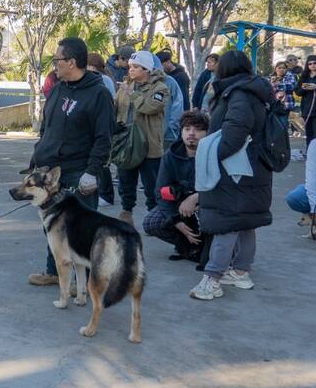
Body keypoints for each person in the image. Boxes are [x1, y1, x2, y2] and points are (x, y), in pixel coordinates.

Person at [26, 37, 114, 287]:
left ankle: (85, 280)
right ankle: (54, 271)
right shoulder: (58, 88)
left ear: (72, 62)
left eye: (57, 60)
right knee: (52, 225)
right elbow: (48, 127)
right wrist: (37, 156)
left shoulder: (98, 94)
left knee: (80, 229)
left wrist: (92, 172)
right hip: (49, 170)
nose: (54, 65)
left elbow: (103, 138)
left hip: (78, 170)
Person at [190, 50, 273, 301]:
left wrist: (210, 155)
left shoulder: (239, 95)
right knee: (245, 221)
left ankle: (212, 279)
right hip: (252, 169)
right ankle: (240, 271)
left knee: (226, 223)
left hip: (236, 171)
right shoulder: (252, 91)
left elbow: (234, 136)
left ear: (225, 70)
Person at [143, 110, 209, 263]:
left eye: (198, 129)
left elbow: (222, 188)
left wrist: (197, 198)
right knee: (150, 223)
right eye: (187, 129)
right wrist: (176, 222)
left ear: (207, 133)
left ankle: (205, 246)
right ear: (181, 132)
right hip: (178, 205)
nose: (191, 133)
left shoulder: (213, 154)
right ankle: (183, 244)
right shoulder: (170, 156)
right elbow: (160, 192)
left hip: (206, 205)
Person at [114, 51, 169, 227]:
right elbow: (116, 106)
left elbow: (151, 107)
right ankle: (126, 212)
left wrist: (132, 94)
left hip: (149, 145)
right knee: (125, 180)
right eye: (130, 66)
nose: (131, 70)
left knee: (152, 185)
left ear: (146, 69)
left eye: (136, 67)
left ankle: (153, 217)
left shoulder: (160, 87)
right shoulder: (125, 85)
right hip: (126, 143)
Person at [86, 52, 117, 206]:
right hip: (97, 124)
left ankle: (106, 194)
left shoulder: (102, 80)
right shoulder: (106, 79)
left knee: (102, 161)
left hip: (101, 125)